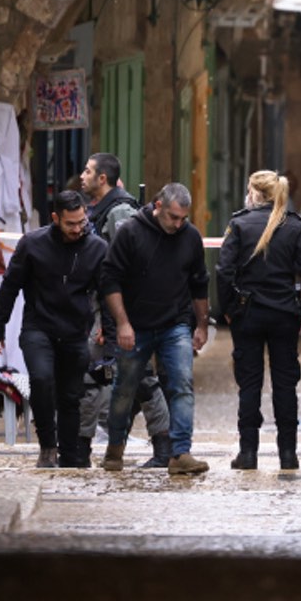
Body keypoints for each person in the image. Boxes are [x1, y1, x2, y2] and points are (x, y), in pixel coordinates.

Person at [0, 191, 107, 468]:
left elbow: (108, 291)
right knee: (41, 380)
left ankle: (69, 454)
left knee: (70, 394)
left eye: (82, 222)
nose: (78, 229)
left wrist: (108, 330)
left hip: (75, 330)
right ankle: (48, 446)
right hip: (38, 327)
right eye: (71, 224)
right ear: (56, 218)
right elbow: (10, 285)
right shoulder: (32, 244)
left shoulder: (97, 248)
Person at [100, 183, 212, 475]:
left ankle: (180, 452)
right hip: (136, 325)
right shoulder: (130, 232)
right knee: (124, 388)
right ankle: (115, 448)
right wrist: (122, 323)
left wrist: (201, 325)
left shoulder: (189, 237)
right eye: (173, 217)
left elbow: (199, 283)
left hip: (175, 323)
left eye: (183, 218)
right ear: (158, 206)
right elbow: (109, 280)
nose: (178, 224)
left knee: (182, 384)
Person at [216, 170, 301, 470]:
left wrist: (228, 308)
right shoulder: (295, 226)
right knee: (285, 384)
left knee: (249, 384)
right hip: (285, 314)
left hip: (248, 313)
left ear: (255, 193)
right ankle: (288, 453)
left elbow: (223, 271)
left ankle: (248, 453)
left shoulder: (239, 224)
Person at [77, 153, 172, 468]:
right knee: (106, 378)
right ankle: (90, 447)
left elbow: (127, 269)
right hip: (108, 312)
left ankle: (163, 447)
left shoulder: (118, 212)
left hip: (122, 314)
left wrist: (121, 318)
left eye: (88, 171)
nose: (82, 176)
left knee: (142, 379)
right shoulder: (103, 210)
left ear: (102, 178)